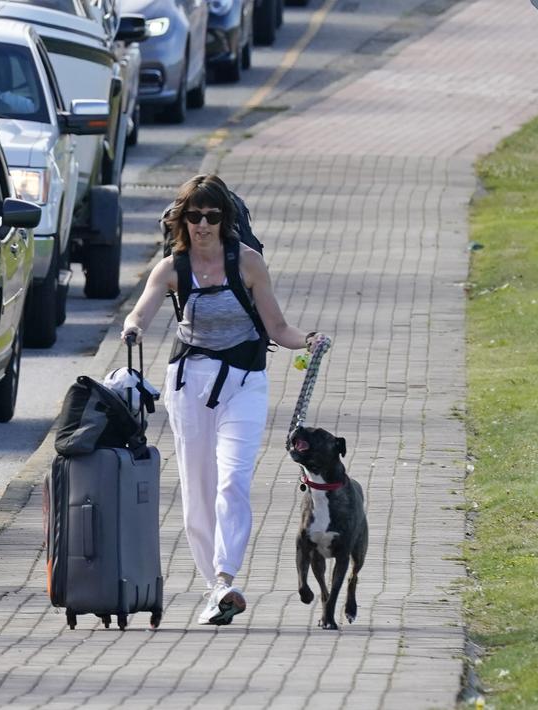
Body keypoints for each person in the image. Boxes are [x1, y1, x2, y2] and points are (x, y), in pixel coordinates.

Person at [120, 174, 326, 626]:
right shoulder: (173, 268)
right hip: (189, 383)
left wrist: (306, 340)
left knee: (233, 479)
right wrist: (133, 327)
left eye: (213, 216)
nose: (203, 225)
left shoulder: (248, 264)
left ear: (225, 220)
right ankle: (216, 590)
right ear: (183, 220)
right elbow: (144, 307)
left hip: (244, 382)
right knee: (197, 486)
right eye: (195, 216)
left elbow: (276, 327)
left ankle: (224, 572)